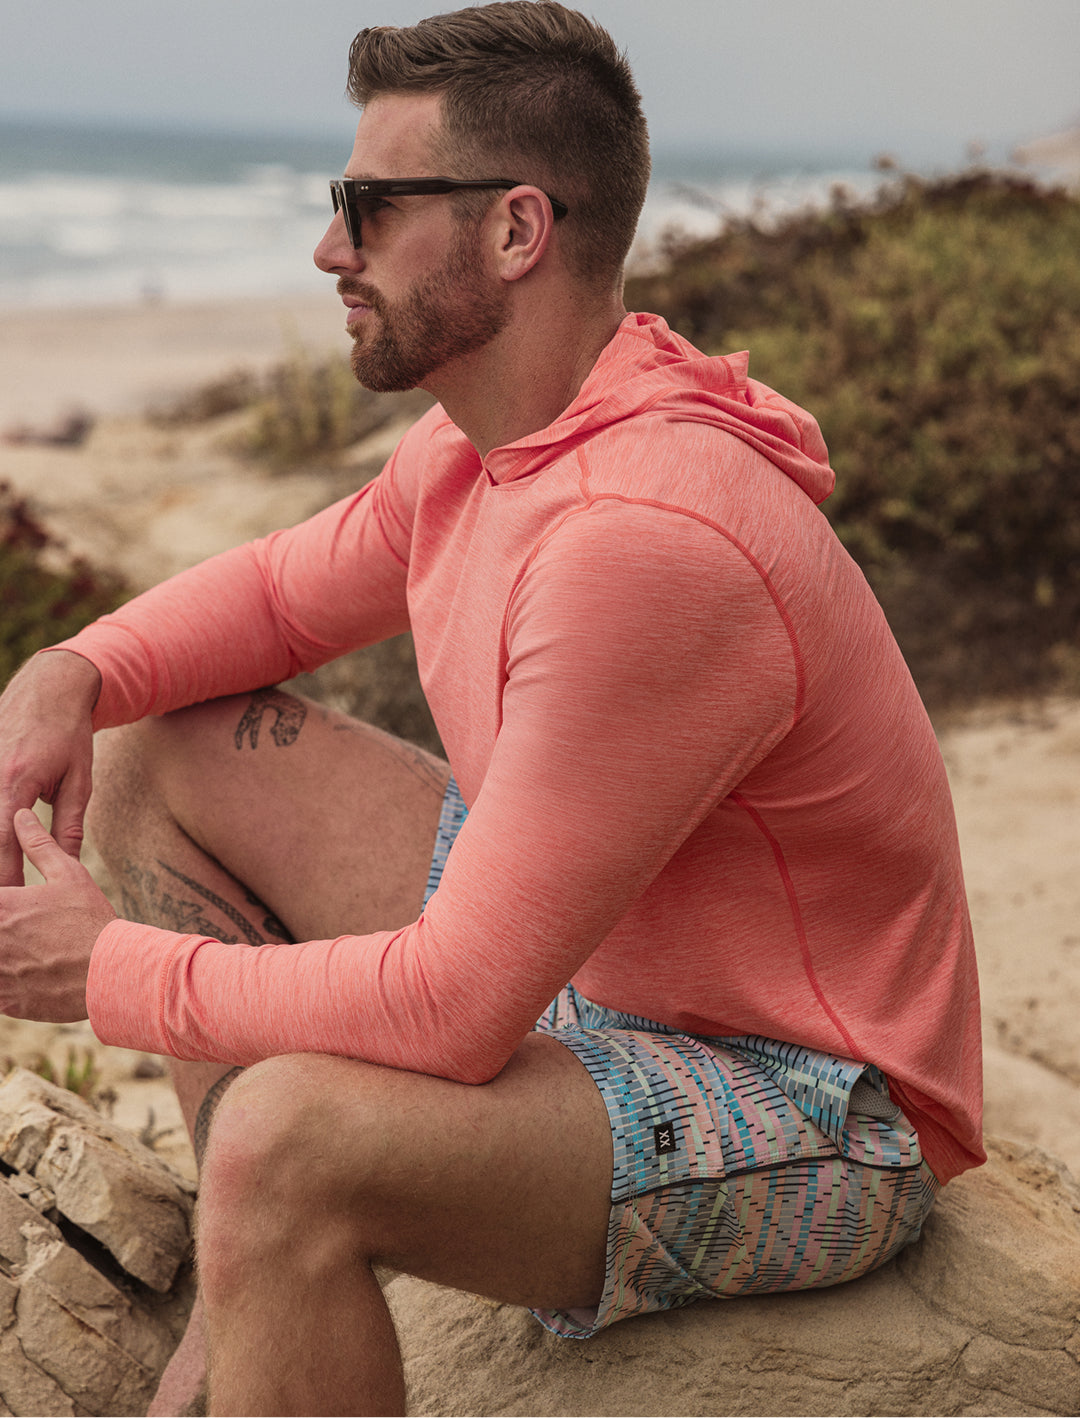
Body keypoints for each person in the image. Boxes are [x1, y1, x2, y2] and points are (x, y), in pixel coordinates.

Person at [0, 4, 984, 1414]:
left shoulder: (643, 537)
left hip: (802, 1096)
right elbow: (281, 595)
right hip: (600, 963)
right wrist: (69, 671)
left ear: (517, 230)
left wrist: (104, 968)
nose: (330, 247)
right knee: (170, 745)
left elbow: (459, 1009)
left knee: (285, 1141)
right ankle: (255, 1280)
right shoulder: (493, 442)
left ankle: (271, 1222)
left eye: (369, 205)